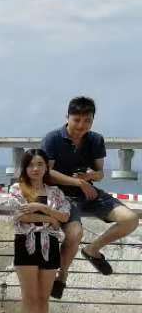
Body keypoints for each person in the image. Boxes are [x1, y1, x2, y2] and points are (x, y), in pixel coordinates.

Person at [45, 95, 139, 295]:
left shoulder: (96, 139)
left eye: (87, 120)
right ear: (67, 117)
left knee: (130, 219)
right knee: (75, 233)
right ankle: (62, 275)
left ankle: (92, 250)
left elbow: (100, 173)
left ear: (93, 120)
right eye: (77, 120)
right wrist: (77, 182)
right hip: (61, 196)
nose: (81, 125)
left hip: (89, 193)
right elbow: (47, 173)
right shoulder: (53, 138)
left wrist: (90, 176)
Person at [1, 148, 71, 313]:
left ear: (46, 167)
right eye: (31, 165)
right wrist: (50, 218)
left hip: (50, 244)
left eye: (40, 164)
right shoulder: (17, 189)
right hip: (26, 242)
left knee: (43, 297)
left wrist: (41, 208)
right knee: (30, 296)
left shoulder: (55, 192)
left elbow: (64, 216)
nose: (35, 169)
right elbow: (20, 215)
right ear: (24, 168)